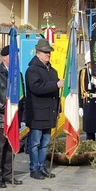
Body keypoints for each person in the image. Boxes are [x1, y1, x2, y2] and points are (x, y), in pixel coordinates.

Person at [25, 38, 64, 179]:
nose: (48, 54)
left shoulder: (52, 71)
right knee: (35, 143)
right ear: (38, 53)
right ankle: (34, 168)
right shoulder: (32, 70)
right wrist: (55, 85)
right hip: (37, 113)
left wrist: (58, 108)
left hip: (49, 112)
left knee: (45, 143)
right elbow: (36, 88)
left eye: (49, 52)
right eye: (46, 52)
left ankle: (42, 167)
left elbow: (55, 92)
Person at [0, 45, 23, 189]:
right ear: (5, 57)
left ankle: (8, 174)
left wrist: (20, 114)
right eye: (13, 56)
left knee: (10, 148)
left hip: (14, 118)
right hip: (1, 119)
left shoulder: (17, 74)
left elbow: (21, 96)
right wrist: (4, 108)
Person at [78, 52, 96, 145]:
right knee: (89, 129)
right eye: (89, 63)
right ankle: (90, 150)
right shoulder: (83, 72)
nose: (91, 65)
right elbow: (80, 89)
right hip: (88, 103)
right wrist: (80, 106)